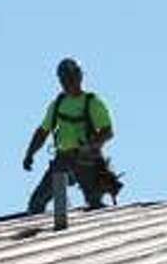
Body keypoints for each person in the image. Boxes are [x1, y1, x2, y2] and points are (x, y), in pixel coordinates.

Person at [22, 58, 121, 214]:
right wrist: (30, 153)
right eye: (64, 78)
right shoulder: (58, 104)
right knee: (36, 204)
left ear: (80, 77)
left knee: (95, 204)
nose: (68, 82)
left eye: (71, 77)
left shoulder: (92, 102)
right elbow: (42, 132)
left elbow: (107, 132)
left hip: (87, 161)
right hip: (63, 159)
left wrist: (90, 146)